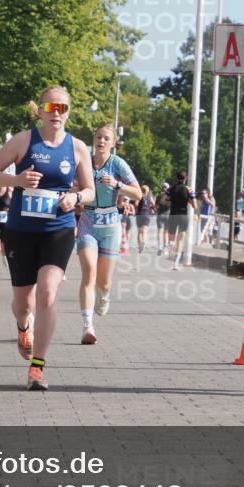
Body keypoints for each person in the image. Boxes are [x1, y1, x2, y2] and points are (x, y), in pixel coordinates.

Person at [0, 86, 94, 391]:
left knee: (47, 292)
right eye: (51, 107)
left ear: (69, 112)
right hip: (20, 232)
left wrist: (76, 197)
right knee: (23, 303)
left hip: (58, 228)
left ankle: (37, 368)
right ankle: (22, 326)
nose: (57, 114)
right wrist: (16, 180)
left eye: (63, 108)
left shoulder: (78, 147)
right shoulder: (23, 141)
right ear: (41, 110)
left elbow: (90, 190)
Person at [76, 125, 141, 345]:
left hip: (111, 225)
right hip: (88, 221)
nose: (101, 141)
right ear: (93, 139)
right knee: (89, 273)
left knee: (103, 283)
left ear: (113, 143)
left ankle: (104, 296)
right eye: (98, 137)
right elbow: (71, 184)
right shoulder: (84, 160)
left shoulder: (118, 164)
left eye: (106, 138)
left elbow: (138, 193)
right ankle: (88, 326)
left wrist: (117, 185)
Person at [165, 171, 196, 270]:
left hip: (173, 215)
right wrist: (189, 200)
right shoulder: (188, 189)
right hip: (183, 216)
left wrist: (172, 199)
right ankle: (176, 264)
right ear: (186, 178)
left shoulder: (171, 188)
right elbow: (195, 205)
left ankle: (170, 252)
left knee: (171, 239)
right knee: (180, 240)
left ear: (176, 177)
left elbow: (164, 200)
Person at [135, 185, 154, 253]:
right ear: (147, 191)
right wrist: (150, 208)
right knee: (144, 232)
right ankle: (143, 242)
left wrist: (138, 207)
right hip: (147, 214)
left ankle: (140, 247)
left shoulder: (139, 196)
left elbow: (136, 204)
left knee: (139, 232)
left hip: (140, 214)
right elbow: (153, 204)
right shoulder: (150, 197)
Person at [155, 182, 171, 255]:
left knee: (160, 231)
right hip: (168, 215)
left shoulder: (158, 196)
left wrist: (157, 209)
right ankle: (165, 249)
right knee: (166, 232)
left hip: (160, 215)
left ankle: (159, 247)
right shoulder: (170, 197)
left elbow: (156, 207)